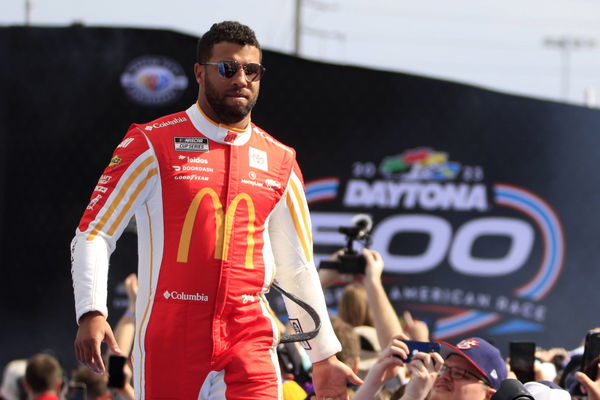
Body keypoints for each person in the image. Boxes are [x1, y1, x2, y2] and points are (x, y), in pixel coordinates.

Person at [71, 20, 360, 399]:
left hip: (250, 338)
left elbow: (297, 266)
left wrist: (323, 356)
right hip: (172, 339)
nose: (241, 78)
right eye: (227, 68)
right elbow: (94, 232)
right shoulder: (151, 142)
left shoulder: (280, 160)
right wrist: (91, 311)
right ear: (199, 72)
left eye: (251, 70)